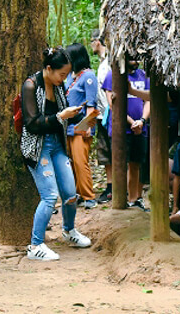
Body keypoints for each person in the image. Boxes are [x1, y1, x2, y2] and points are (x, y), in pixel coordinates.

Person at [21, 47, 91, 261]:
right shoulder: (31, 85)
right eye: (62, 74)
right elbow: (32, 124)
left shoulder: (59, 87)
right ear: (49, 69)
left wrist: (79, 118)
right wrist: (61, 116)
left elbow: (63, 116)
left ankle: (69, 230)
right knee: (50, 195)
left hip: (57, 146)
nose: (64, 79)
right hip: (37, 147)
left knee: (70, 193)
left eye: (67, 75)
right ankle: (35, 245)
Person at [101, 58, 150, 210]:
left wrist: (141, 120)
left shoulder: (143, 75)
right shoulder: (112, 76)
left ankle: (134, 199)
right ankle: (121, 199)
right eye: (132, 58)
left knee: (136, 164)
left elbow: (149, 100)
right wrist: (131, 122)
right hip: (121, 129)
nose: (135, 61)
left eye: (137, 58)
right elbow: (112, 103)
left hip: (140, 127)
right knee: (121, 164)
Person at [64, 43, 98, 209]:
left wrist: (87, 126)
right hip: (68, 126)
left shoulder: (88, 76)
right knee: (70, 162)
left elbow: (91, 104)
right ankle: (76, 193)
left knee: (80, 161)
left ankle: (89, 196)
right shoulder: (71, 76)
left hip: (81, 125)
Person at [90, 30, 113, 203]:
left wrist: (109, 114)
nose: (91, 44)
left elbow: (109, 92)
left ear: (98, 42)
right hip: (102, 116)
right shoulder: (102, 63)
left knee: (112, 151)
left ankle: (117, 187)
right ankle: (111, 186)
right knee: (105, 153)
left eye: (92, 41)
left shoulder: (109, 63)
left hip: (109, 115)